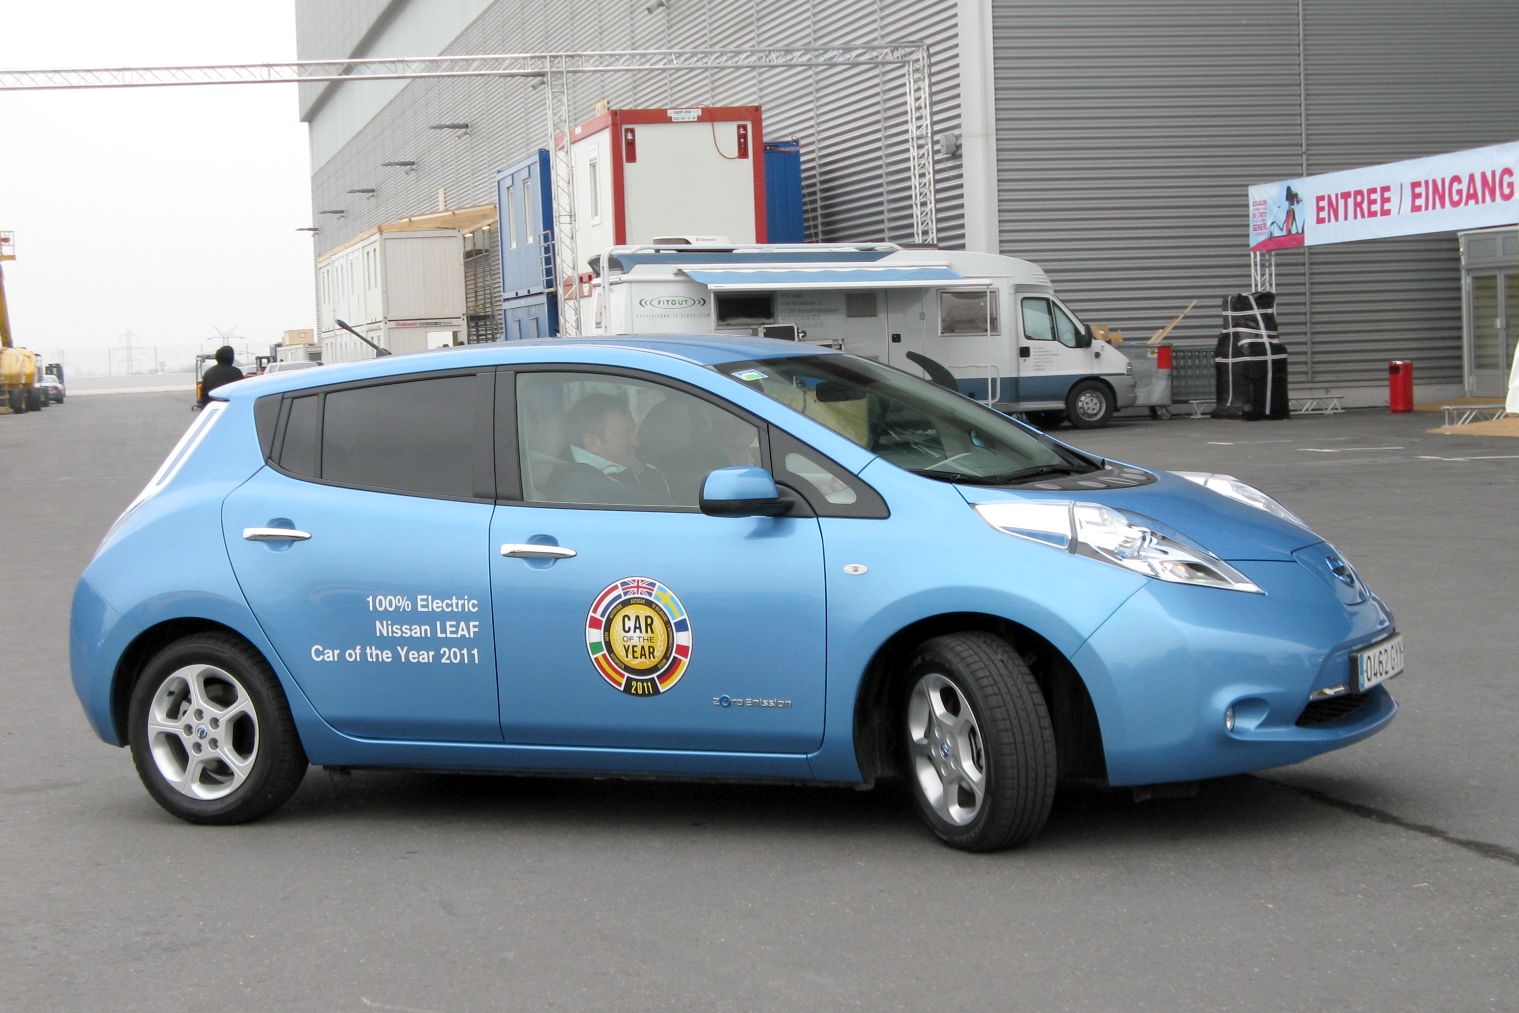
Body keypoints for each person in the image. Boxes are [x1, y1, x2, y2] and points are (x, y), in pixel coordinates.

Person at [546, 393, 670, 505]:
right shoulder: (571, 483)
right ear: (592, 443)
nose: (636, 443)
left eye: (633, 432)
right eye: (625, 434)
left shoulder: (649, 474)